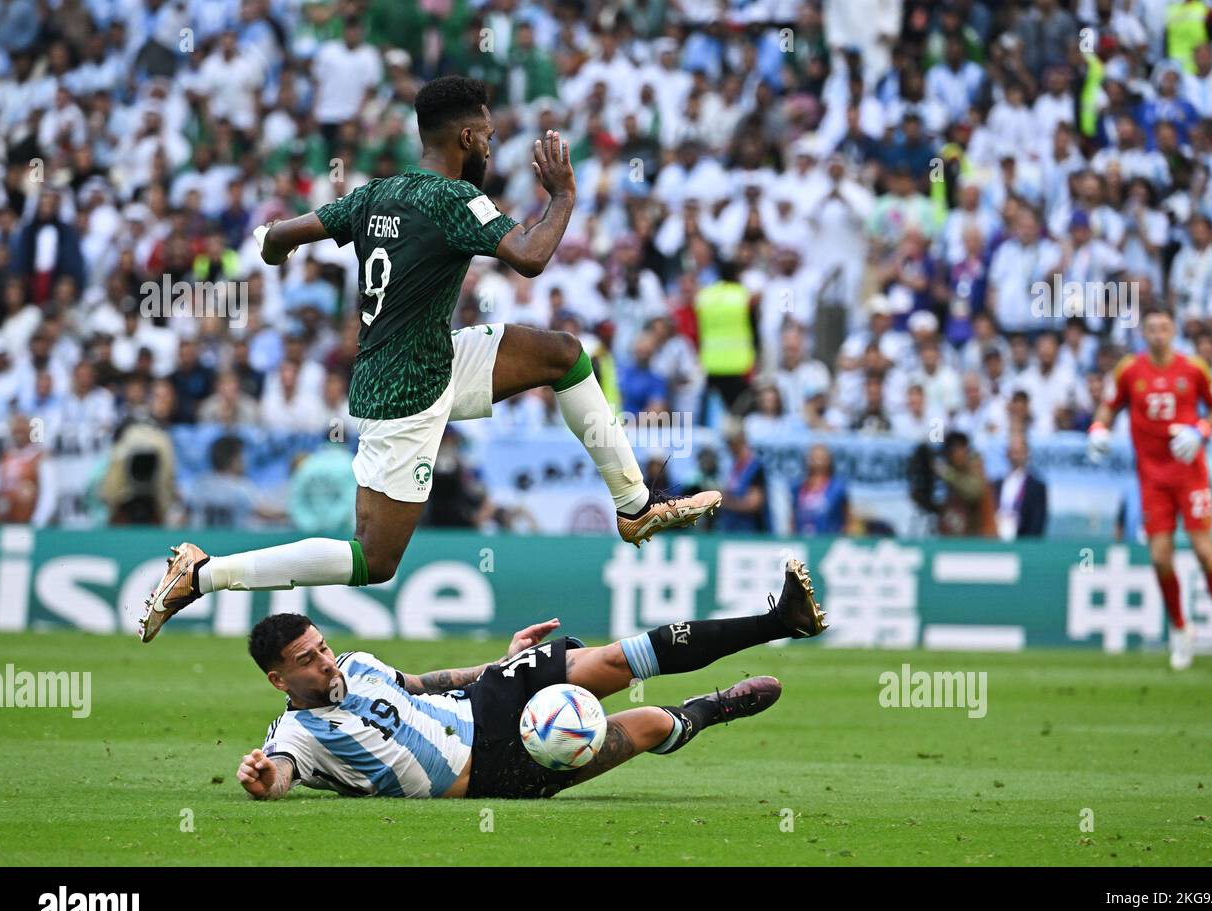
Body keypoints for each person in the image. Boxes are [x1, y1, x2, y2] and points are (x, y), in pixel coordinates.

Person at [138, 77, 718, 642]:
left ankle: (635, 506)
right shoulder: (454, 198)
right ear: (466, 138)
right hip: (405, 396)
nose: (491, 145)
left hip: (429, 360)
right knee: (374, 559)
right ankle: (203, 575)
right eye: (487, 134)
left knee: (563, 355)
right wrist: (564, 195)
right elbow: (531, 256)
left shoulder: (374, 194)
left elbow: (280, 236)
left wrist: (273, 243)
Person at [235, 561, 828, 801]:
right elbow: (284, 773)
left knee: (616, 660)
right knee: (647, 725)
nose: (326, 662)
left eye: (324, 646)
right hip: (490, 772)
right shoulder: (297, 735)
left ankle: (779, 620)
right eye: (308, 660)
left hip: (482, 701)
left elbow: (420, 684)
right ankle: (708, 710)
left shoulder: (359, 664)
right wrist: (266, 781)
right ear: (277, 678)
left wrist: (497, 663)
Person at [1088, 309, 1212, 669]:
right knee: (1159, 557)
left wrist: (1200, 430)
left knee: (1204, 551)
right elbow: (1107, 407)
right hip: (1152, 477)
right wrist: (1097, 428)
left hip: (1189, 473)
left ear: (1173, 331)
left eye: (1164, 328)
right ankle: (1181, 630)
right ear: (1144, 332)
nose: (1158, 334)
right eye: (1152, 328)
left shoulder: (1193, 369)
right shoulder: (1129, 370)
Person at [992, 432, 1047, 539]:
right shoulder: (997, 484)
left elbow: (1037, 521)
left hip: (1022, 540)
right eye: (1013, 452)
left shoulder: (1036, 486)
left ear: (1027, 454)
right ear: (1007, 454)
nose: (1015, 456)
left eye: (1019, 452)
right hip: (996, 538)